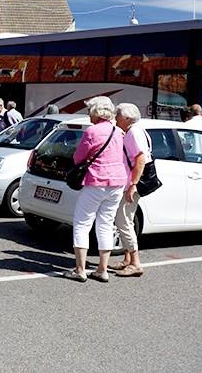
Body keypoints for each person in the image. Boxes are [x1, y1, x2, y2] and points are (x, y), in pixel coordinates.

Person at [64, 96, 127, 283]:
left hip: (96, 181)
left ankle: (80, 269)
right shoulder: (118, 131)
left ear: (96, 112)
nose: (87, 114)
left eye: (89, 111)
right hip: (117, 182)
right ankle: (102, 269)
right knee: (106, 225)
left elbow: (78, 157)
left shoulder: (92, 131)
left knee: (82, 224)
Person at [111, 103, 146, 278]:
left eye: (117, 115)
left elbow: (140, 158)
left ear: (125, 118)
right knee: (127, 220)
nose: (115, 118)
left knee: (123, 221)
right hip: (131, 183)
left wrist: (133, 184)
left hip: (130, 184)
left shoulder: (133, 132)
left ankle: (135, 263)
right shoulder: (137, 130)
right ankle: (127, 258)